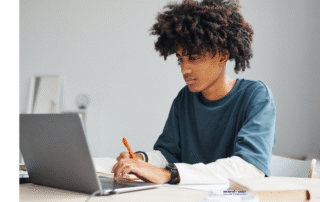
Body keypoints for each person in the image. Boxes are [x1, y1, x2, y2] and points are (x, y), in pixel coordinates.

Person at [112, 0, 276, 185]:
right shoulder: (185, 98)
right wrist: (141, 160)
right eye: (180, 60)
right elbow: (169, 153)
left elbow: (249, 167)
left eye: (194, 58)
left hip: (232, 196)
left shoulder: (255, 97)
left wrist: (170, 174)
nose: (184, 70)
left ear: (223, 55)